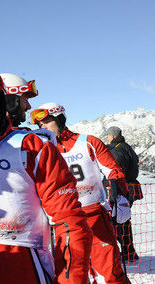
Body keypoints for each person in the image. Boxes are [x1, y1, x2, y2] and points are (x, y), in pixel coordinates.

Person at [0, 65, 93, 283]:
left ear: (1, 104)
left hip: (22, 270)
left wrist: (72, 279)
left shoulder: (32, 147)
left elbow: (69, 221)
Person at [31, 103, 130, 283]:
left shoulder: (88, 142)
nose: (43, 127)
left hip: (94, 214)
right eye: (40, 125)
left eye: (47, 122)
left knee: (110, 272)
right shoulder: (43, 148)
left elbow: (113, 170)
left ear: (60, 119)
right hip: (64, 221)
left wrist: (120, 196)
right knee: (77, 274)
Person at [106, 126, 142, 262]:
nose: (108, 138)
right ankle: (129, 251)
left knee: (117, 221)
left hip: (122, 189)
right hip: (130, 187)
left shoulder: (118, 150)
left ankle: (126, 252)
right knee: (123, 220)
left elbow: (116, 171)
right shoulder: (126, 147)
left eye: (108, 135)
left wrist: (113, 191)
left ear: (113, 136)